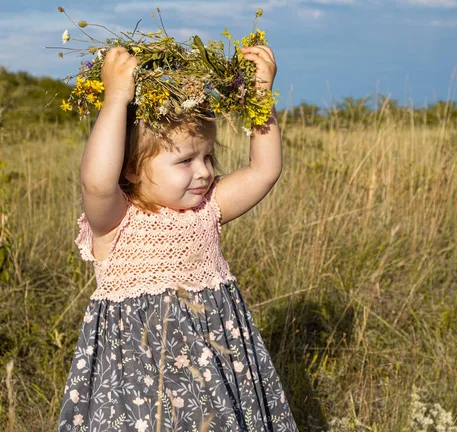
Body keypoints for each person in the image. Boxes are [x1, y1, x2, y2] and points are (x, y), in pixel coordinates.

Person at [57, 44, 299, 431]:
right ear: (132, 169)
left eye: (208, 157)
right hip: (138, 387)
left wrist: (260, 97)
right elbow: (97, 181)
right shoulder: (117, 221)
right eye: (185, 161)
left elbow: (263, 170)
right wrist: (117, 98)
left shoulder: (208, 209)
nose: (203, 172)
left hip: (212, 375)